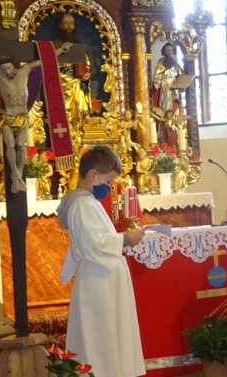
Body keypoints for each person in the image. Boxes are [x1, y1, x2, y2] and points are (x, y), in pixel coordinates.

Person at [57, 146, 146, 377]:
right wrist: (127, 239)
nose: (109, 187)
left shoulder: (86, 202)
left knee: (107, 339)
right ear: (93, 175)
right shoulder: (82, 204)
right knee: (101, 341)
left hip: (103, 280)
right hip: (98, 282)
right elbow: (93, 245)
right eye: (108, 181)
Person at [0, 43, 72, 193]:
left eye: (9, 67)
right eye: (4, 69)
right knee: (10, 144)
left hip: (22, 116)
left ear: (14, 66)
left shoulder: (24, 71)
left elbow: (42, 61)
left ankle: (18, 175)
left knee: (21, 146)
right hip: (8, 116)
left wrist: (59, 51)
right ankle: (15, 173)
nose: (7, 71)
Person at [53, 12, 91, 126]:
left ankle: (77, 136)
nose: (69, 26)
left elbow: (85, 64)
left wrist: (86, 74)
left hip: (76, 83)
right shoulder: (54, 45)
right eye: (66, 23)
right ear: (60, 25)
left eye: (71, 24)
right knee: (63, 112)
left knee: (79, 110)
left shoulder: (78, 45)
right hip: (60, 84)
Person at [152, 42, 184, 112]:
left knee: (175, 101)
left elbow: (181, 75)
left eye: (171, 50)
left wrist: (182, 82)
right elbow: (157, 75)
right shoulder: (160, 62)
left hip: (174, 86)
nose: (170, 52)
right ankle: (165, 117)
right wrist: (156, 85)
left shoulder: (175, 63)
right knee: (164, 102)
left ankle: (174, 118)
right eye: (168, 50)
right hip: (164, 86)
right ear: (164, 51)